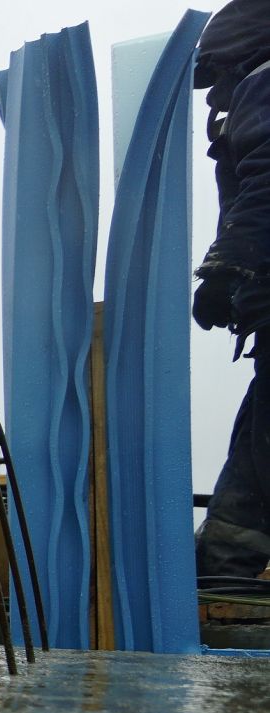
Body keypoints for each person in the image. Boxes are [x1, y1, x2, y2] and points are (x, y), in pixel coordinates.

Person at [193, 1, 270, 581]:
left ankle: (227, 570)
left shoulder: (264, 83)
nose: (213, 96)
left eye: (215, 73)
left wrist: (226, 270)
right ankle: (225, 568)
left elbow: (268, 181)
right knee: (256, 439)